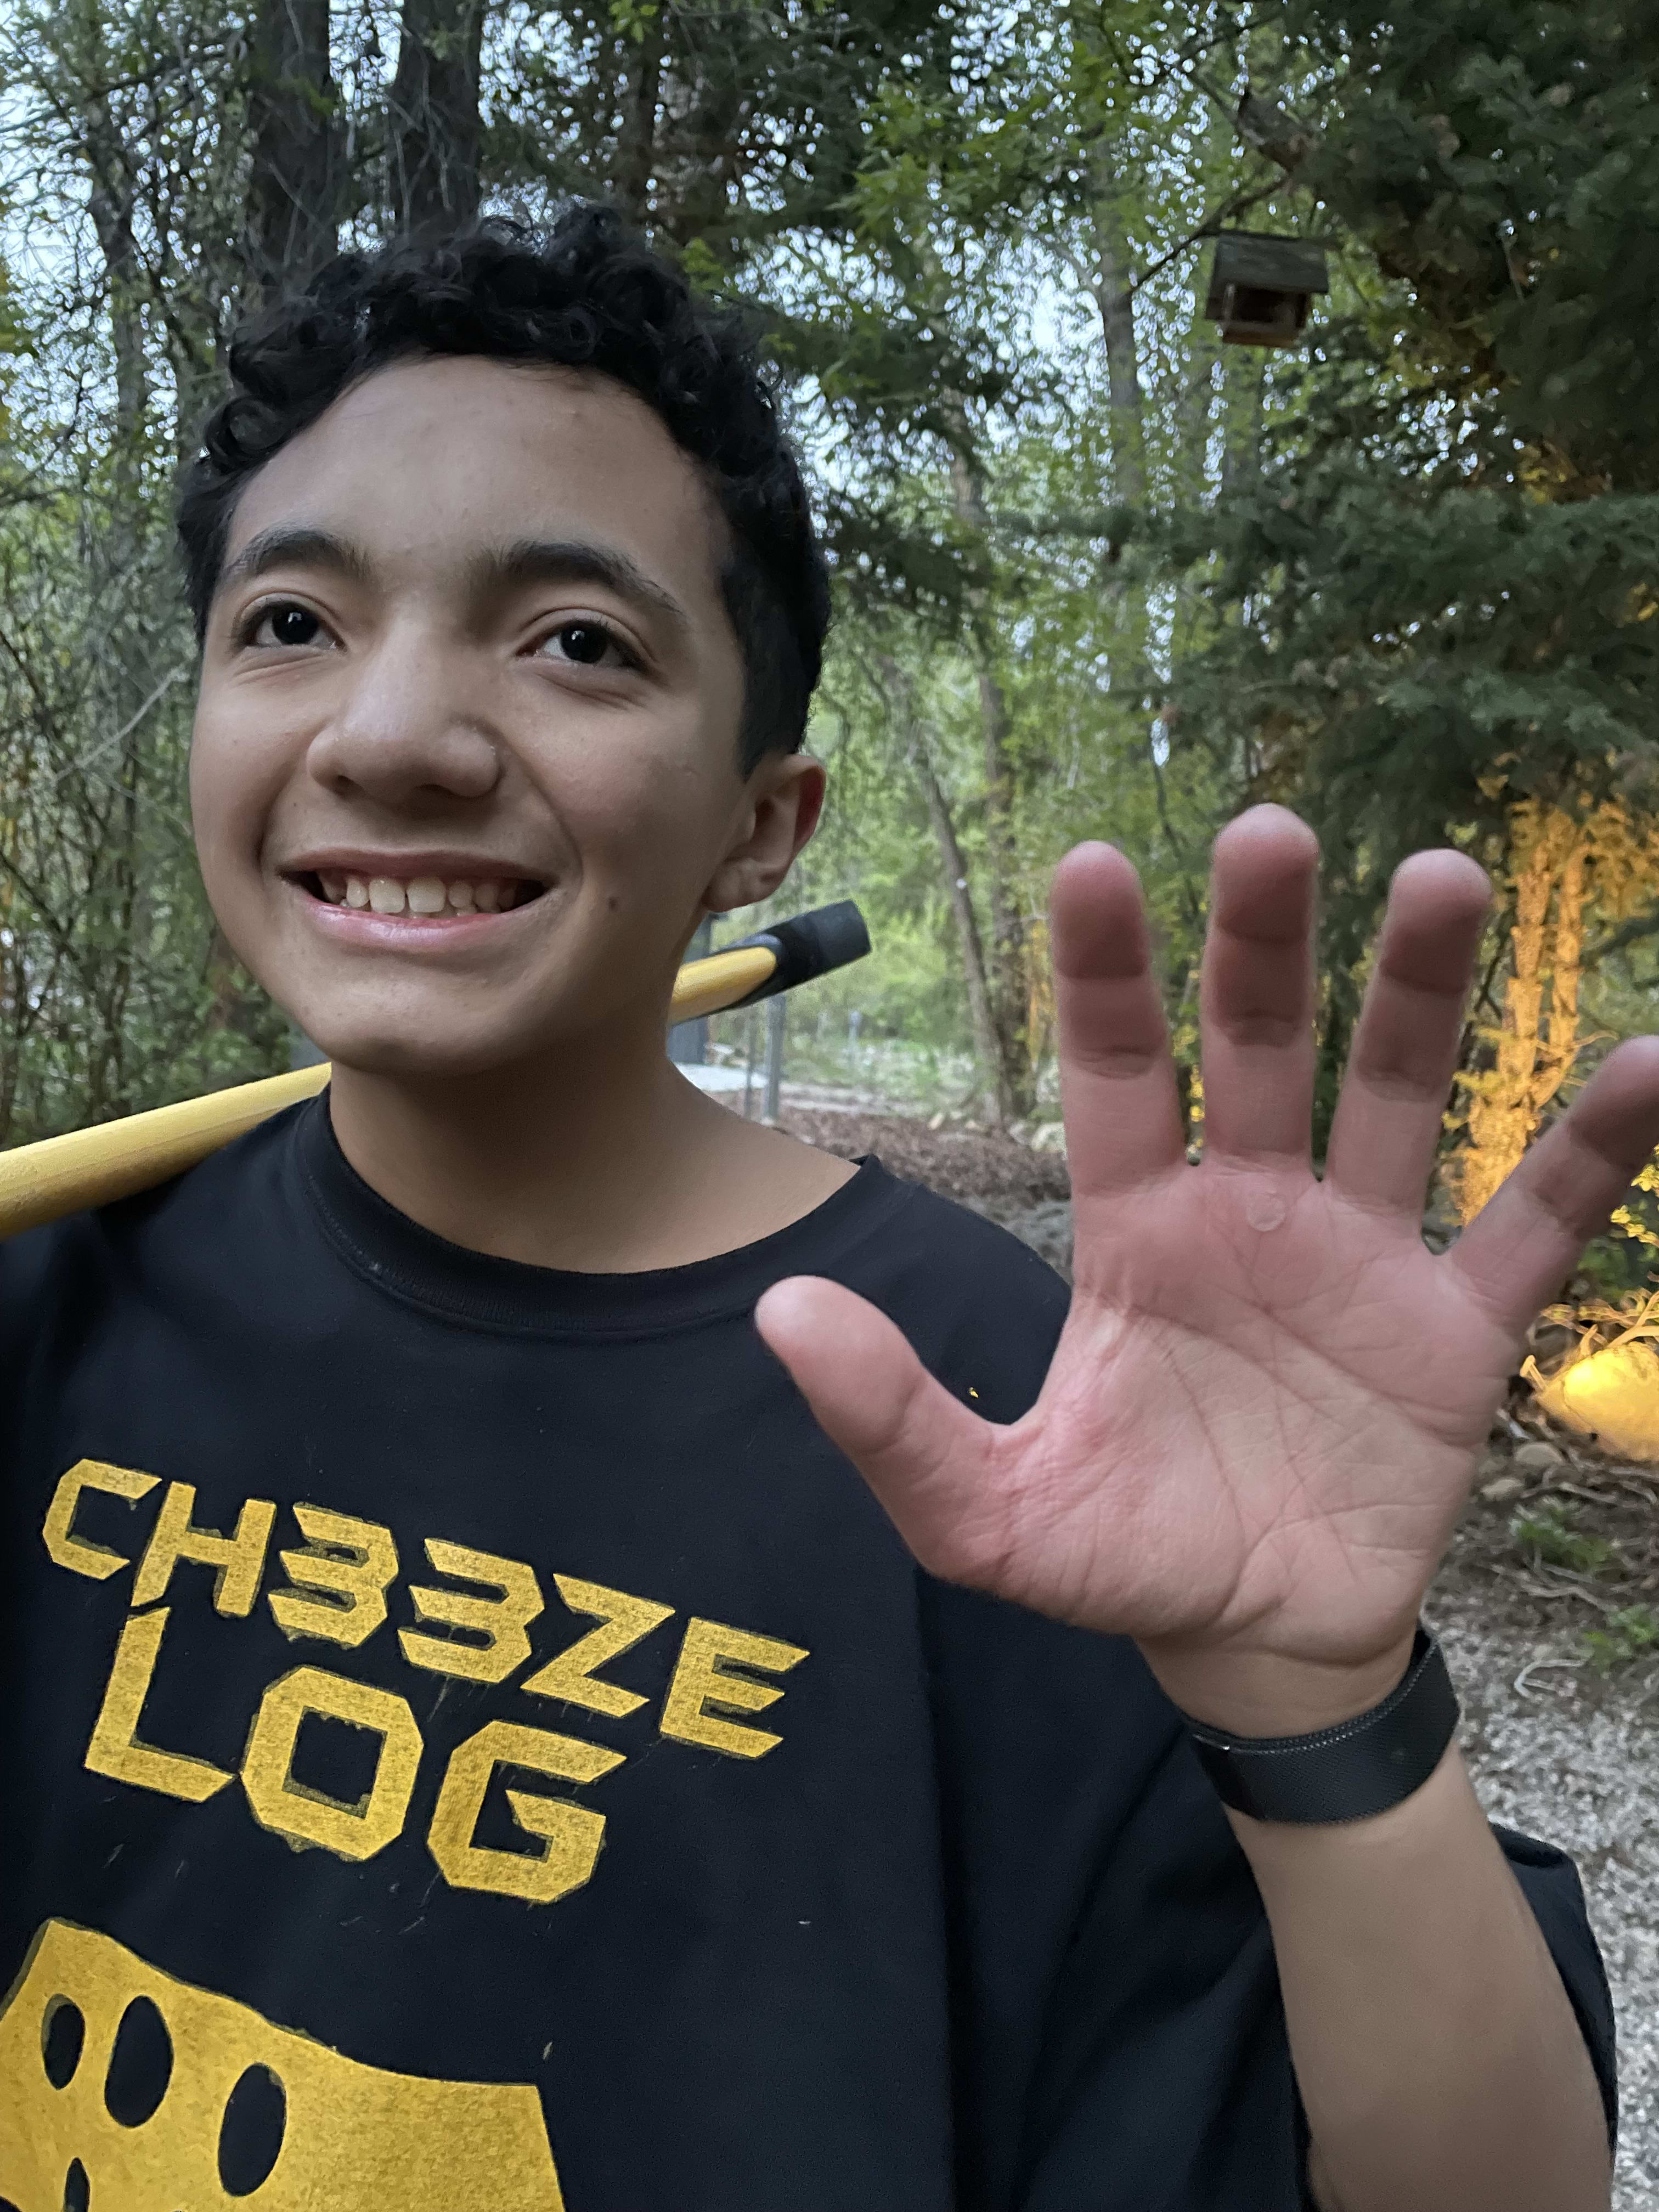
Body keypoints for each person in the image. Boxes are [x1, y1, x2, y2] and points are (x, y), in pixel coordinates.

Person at [0, 207, 1646, 2212]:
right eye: (289, 624)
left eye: (577, 643)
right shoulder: (54, 1296)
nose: (394, 736)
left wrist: (1324, 1718)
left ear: (759, 826)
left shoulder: (1031, 1429)